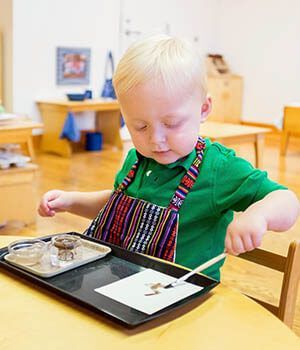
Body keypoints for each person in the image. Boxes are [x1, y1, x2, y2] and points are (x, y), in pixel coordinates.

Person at [38, 35, 299, 280]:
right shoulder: (137, 159)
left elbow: (287, 201)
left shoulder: (218, 168)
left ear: (203, 109)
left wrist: (259, 215)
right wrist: (71, 201)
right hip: (123, 282)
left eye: (171, 123)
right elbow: (118, 205)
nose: (156, 139)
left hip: (182, 297)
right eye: (140, 127)